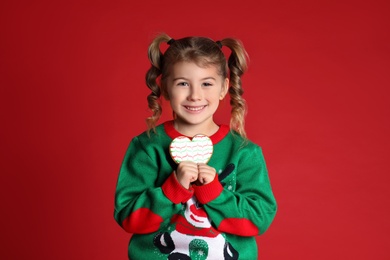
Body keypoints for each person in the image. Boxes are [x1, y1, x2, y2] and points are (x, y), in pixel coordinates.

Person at [114, 33, 277, 260]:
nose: (195, 95)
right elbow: (127, 217)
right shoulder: (147, 147)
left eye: (207, 84)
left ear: (223, 88)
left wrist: (215, 193)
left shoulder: (244, 152)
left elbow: (259, 219)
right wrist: (171, 190)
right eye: (183, 83)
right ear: (165, 87)